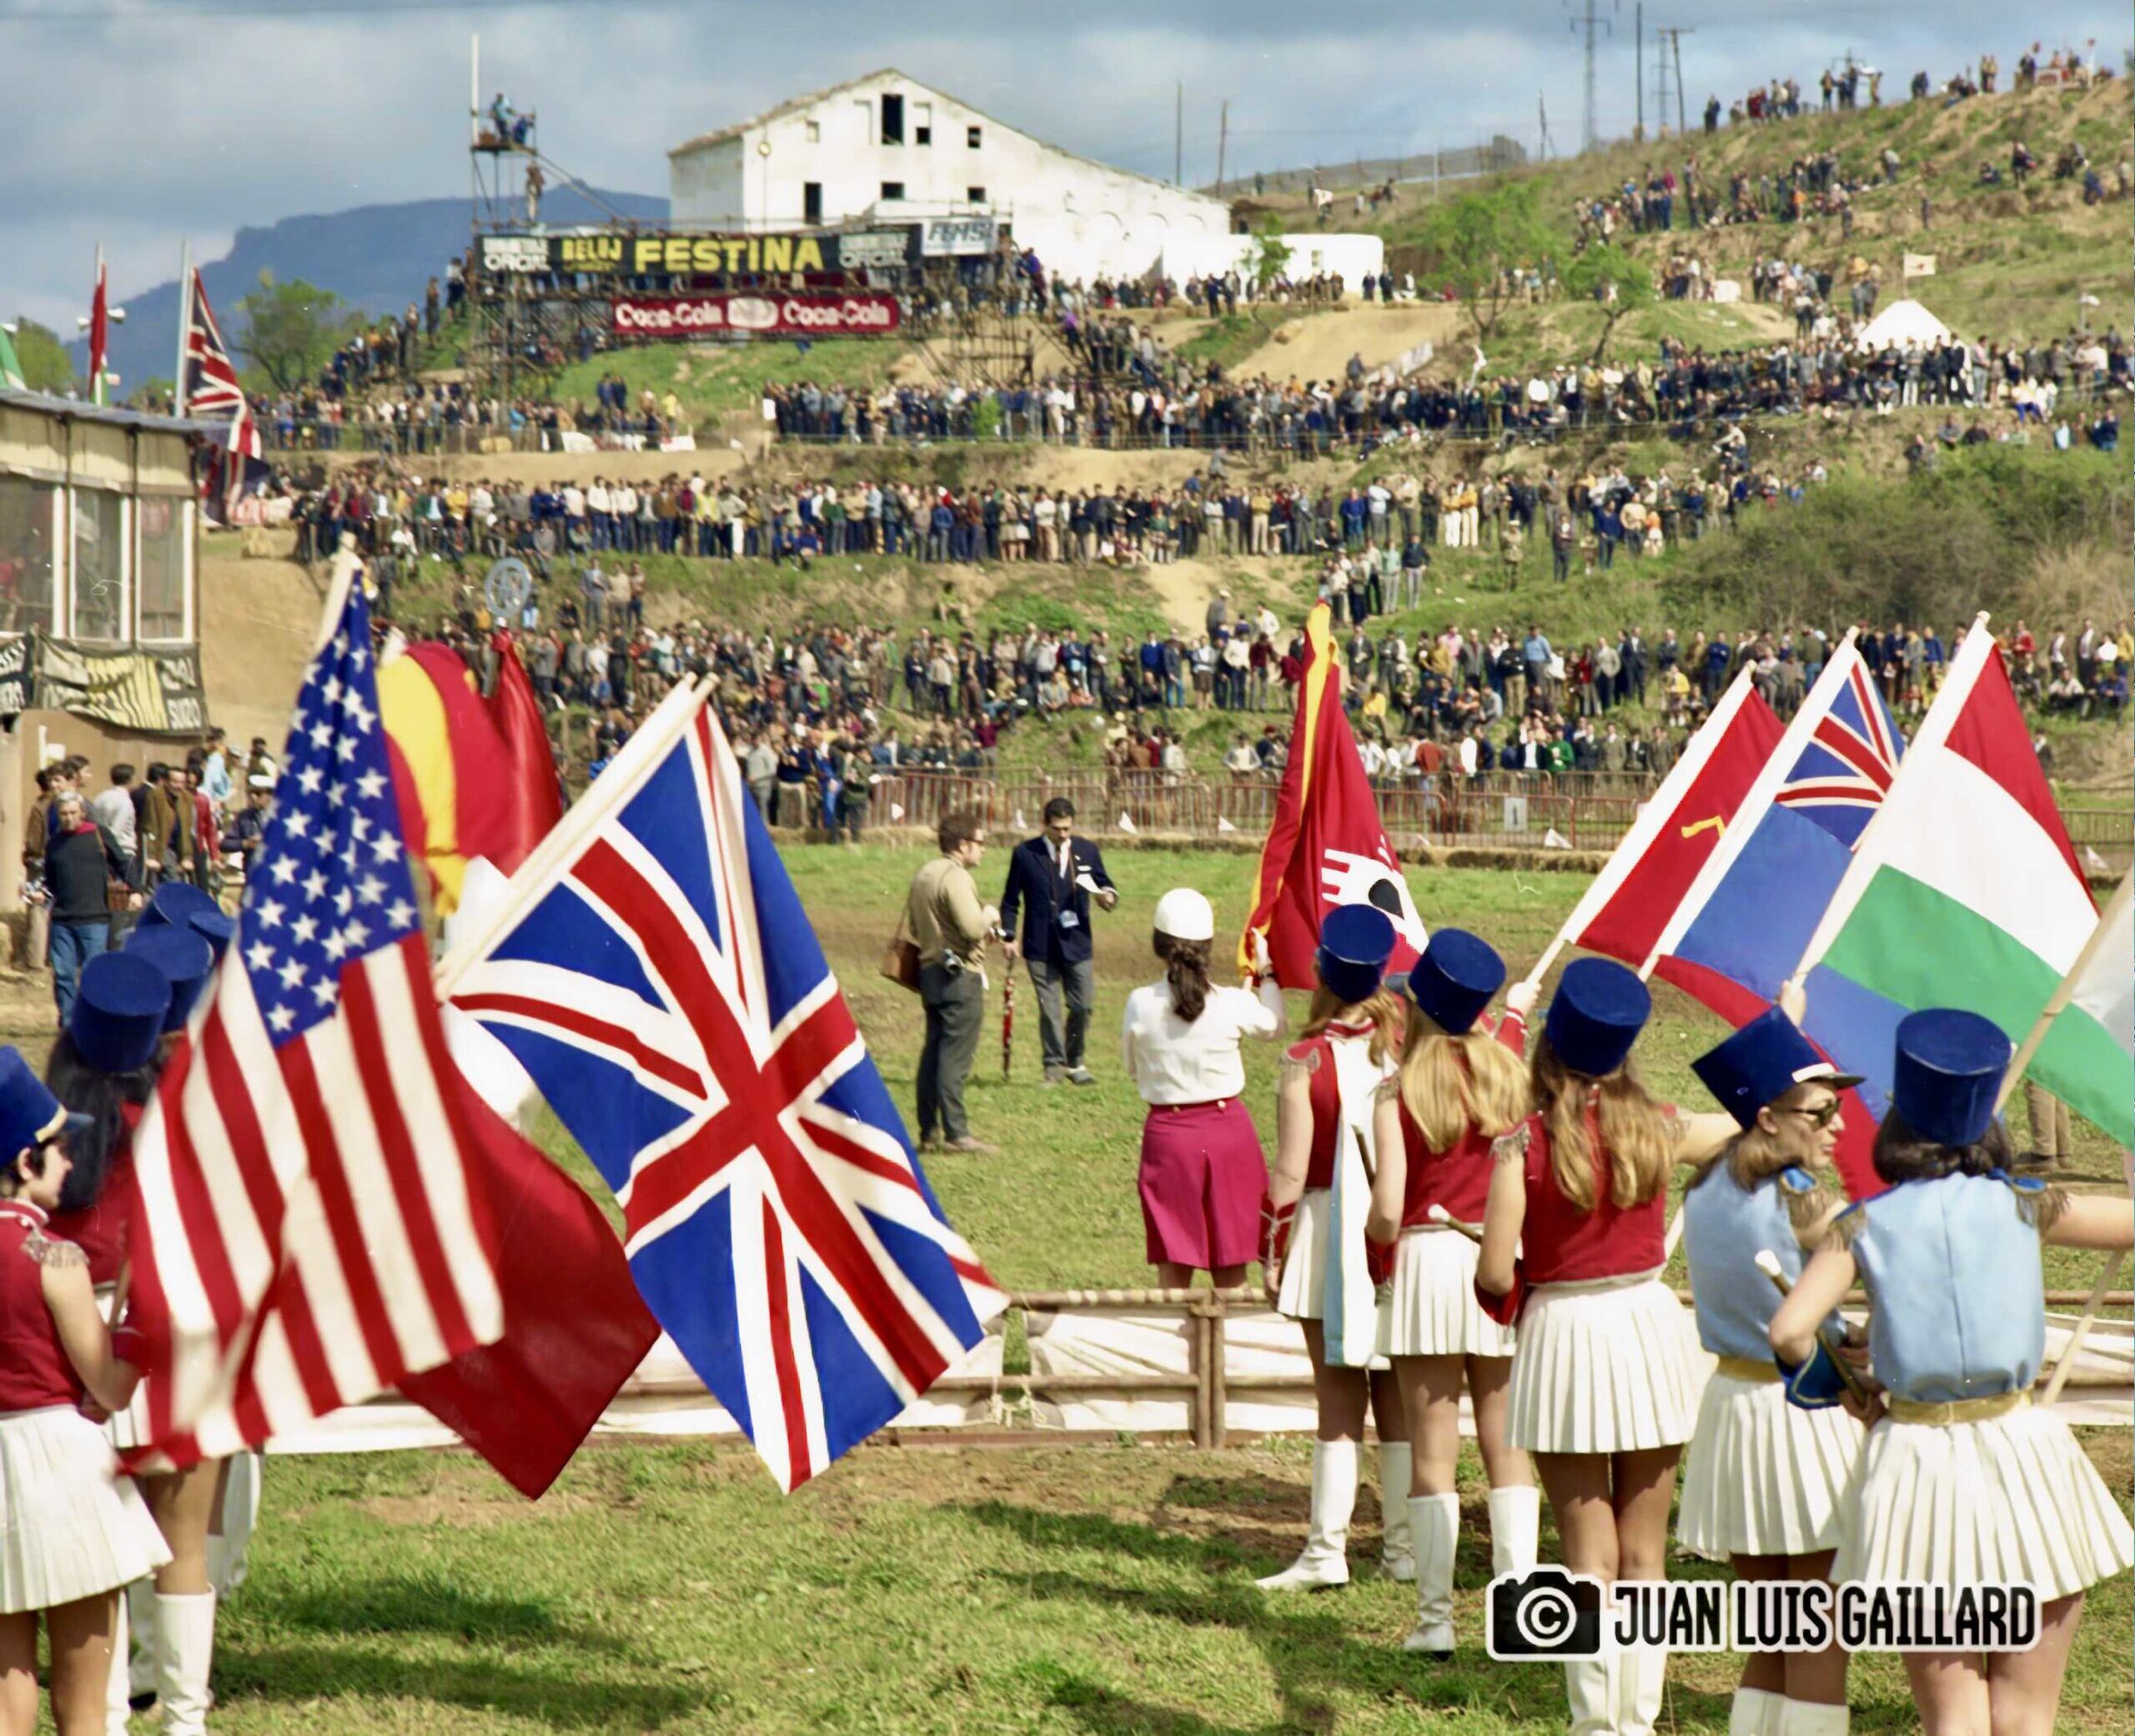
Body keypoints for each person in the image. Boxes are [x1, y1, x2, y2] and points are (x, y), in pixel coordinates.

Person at [1771, 1010, 2135, 1736]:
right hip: (2024, 1451)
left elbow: (1788, 1330)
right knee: (2026, 1717)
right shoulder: (2029, 1204)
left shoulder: (1859, 1224)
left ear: (1900, 1117)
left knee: (1954, 1720)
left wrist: (1846, 1383)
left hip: (1915, 1463)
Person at [1477, 959, 1735, 1734]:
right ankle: (1639, 1720)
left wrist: (1520, 1291)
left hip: (1562, 1334)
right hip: (1649, 1326)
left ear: (1550, 1047)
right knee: (1645, 1553)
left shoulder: (1520, 1145)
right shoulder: (1661, 1125)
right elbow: (1745, 1126)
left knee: (1587, 1556)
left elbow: (1494, 1274)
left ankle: (1595, 1725)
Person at [1678, 1007, 1867, 1736]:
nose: (1837, 1127)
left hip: (1732, 1408)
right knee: (1818, 1632)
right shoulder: (1806, 1199)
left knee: (1770, 1632)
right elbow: (1895, 1276)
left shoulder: (1704, 1186)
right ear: (1767, 1117)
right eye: (1820, 1113)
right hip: (1803, 1413)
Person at [1367, 931, 1540, 1655]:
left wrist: (1375, 1250)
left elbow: (1387, 1208)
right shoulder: (1513, 1078)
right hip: (1496, 1254)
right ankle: (1523, 1611)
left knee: (1433, 1452)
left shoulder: (1396, 1090)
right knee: (1508, 1444)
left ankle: (1436, 1621)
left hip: (1424, 1264)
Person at [0, 1046, 171, 1732]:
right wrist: (139, 1326)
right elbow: (109, 1386)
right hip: (58, 1467)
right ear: (25, 1162)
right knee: (82, 1700)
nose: (71, 1164)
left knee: (6, 1700)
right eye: (60, 1149)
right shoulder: (54, 1256)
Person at [1258, 907, 1412, 1593]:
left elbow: (1289, 1174)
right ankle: (1404, 1551)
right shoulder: (1407, 1047)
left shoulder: (1304, 1061)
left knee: (1338, 1400)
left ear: (1320, 972)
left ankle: (1327, 1551)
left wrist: (1271, 1250)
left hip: (1326, 1231)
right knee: (1397, 1396)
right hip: (1398, 1230)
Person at [1121, 889, 1285, 1290]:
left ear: (1160, 945)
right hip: (1229, 1136)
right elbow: (1275, 1025)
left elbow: (1132, 1068)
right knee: (1232, 1271)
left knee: (1173, 1271)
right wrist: (1267, 974)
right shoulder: (1230, 1003)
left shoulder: (1140, 1003)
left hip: (1170, 1139)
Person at [1000, 799, 1118, 1086]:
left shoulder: (1087, 851)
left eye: (1067, 828)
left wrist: (1107, 897)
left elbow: (1105, 883)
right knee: (1050, 1010)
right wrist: (1009, 936)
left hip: (1078, 943)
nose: (1063, 834)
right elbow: (1010, 901)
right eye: (1057, 829)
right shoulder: (1025, 854)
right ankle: (1053, 1067)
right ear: (1045, 824)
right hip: (1039, 946)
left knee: (1083, 1006)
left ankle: (1075, 1062)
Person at [904, 810, 998, 1155]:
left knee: (933, 1053)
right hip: (961, 977)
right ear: (962, 844)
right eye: (980, 842)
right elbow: (973, 928)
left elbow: (915, 929)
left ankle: (928, 1131)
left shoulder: (924, 874)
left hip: (930, 972)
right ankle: (957, 1134)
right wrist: (990, 914)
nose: (983, 849)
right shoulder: (956, 877)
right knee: (955, 1059)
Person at [40, 790, 142, 1023]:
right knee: (63, 974)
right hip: (63, 919)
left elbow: (123, 862)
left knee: (92, 974)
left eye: (73, 813)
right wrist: (42, 894)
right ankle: (68, 1023)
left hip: (94, 918)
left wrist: (135, 889)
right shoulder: (54, 843)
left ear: (83, 813)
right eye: (63, 814)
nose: (68, 818)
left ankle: (92, 1021)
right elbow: (50, 880)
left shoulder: (99, 835)